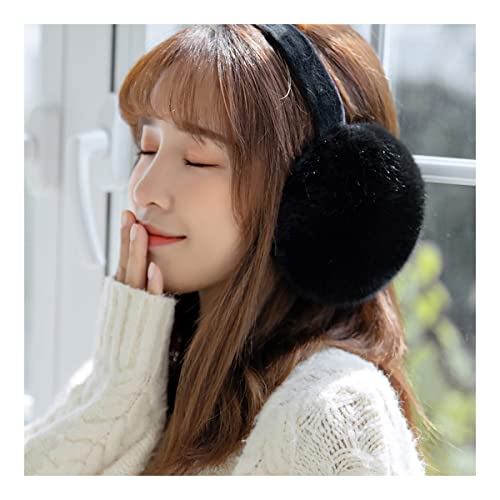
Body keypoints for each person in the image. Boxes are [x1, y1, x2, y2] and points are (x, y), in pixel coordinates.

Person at [24, 24, 435, 476]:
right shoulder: (140, 368)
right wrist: (118, 389)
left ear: (316, 199)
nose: (144, 190)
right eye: (147, 148)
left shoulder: (331, 417)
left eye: (196, 160)